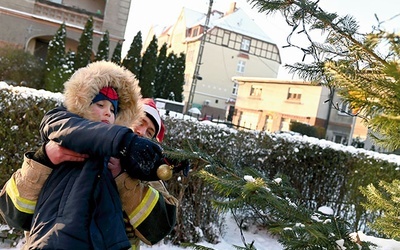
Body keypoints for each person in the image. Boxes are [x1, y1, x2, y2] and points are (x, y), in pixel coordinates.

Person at [0, 61, 169, 249]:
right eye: (141, 123)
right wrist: (44, 159)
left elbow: (158, 228)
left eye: (150, 132)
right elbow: (13, 213)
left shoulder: (142, 172)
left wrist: (123, 179)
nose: (141, 133)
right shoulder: (61, 139)